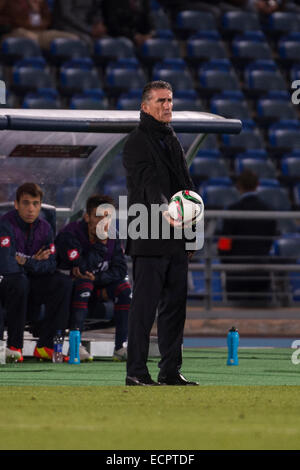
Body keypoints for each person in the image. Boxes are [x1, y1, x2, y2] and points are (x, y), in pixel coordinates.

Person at [122, 80, 198, 386]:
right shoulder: (137, 142)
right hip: (150, 234)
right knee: (144, 309)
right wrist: (165, 209)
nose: (167, 105)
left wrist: (192, 234)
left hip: (176, 236)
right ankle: (136, 372)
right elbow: (147, 184)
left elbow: (187, 187)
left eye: (169, 100)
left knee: (174, 309)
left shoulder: (172, 138)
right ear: (145, 107)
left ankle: (169, 371)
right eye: (161, 101)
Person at [0, 182, 73, 362]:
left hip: (33, 279)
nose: (31, 209)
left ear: (40, 205)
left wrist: (25, 261)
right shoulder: (5, 225)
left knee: (63, 283)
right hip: (8, 283)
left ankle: (47, 346)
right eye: (26, 203)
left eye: (35, 203)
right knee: (19, 281)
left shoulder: (46, 228)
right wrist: (34, 262)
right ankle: (14, 346)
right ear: (16, 204)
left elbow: (50, 264)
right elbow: (7, 265)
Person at [55, 194, 130, 362]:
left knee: (125, 289)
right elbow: (81, 268)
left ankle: (120, 347)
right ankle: (77, 345)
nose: (103, 222)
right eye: (98, 216)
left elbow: (120, 270)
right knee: (84, 284)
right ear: (87, 216)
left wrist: (98, 279)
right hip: (69, 290)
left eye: (107, 217)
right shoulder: (70, 234)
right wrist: (101, 245)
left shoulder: (113, 235)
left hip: (97, 286)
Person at [218, 170, 278, 303]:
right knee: (259, 316)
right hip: (261, 270)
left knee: (236, 317)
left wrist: (226, 262)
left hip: (236, 272)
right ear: (257, 185)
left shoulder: (233, 210)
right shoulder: (269, 211)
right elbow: (269, 242)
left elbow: (224, 242)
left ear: (239, 186)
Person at [1, 0, 79, 50]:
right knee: (30, 39)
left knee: (73, 39)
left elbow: (47, 19)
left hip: (40, 32)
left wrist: (35, 10)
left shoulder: (40, 2)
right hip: (15, 31)